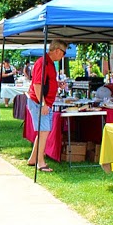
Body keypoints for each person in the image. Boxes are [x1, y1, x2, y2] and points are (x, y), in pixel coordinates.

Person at [26, 39, 68, 172]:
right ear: (57, 51)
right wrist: (43, 103)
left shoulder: (49, 63)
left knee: (43, 132)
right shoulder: (43, 63)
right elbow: (37, 85)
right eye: (63, 53)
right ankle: (40, 162)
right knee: (44, 131)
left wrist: (57, 83)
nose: (63, 56)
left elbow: (45, 82)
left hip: (44, 102)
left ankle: (33, 159)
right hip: (39, 102)